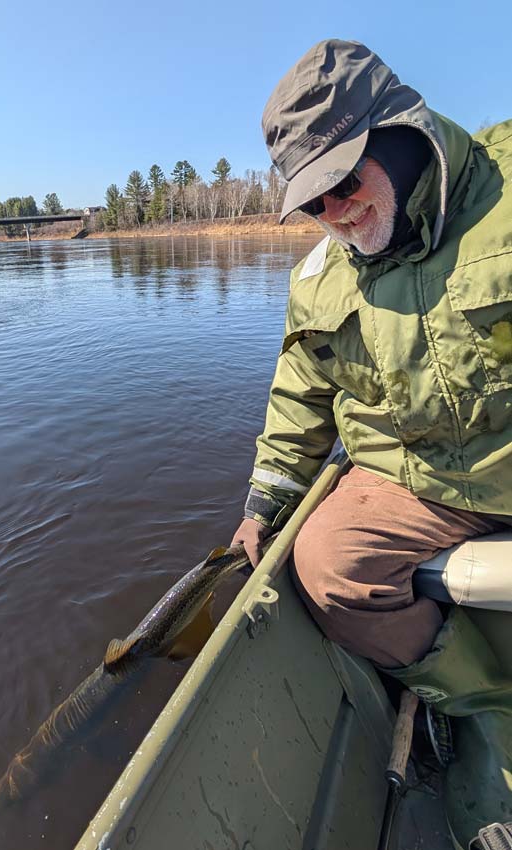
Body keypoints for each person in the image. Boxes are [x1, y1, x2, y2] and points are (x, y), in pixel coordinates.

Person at [230, 39, 512, 848]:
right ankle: (480, 703)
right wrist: (266, 501)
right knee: (324, 568)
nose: (337, 215)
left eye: (345, 184)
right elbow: (299, 396)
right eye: (313, 203)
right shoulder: (320, 276)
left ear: (403, 133)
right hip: (412, 479)